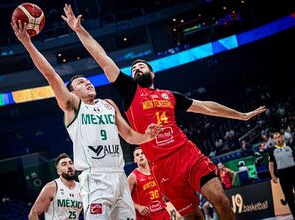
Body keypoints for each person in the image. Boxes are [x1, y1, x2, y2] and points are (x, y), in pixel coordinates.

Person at [62, 4, 266, 219]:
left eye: (141, 66)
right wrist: (79, 31)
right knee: (194, 217)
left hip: (187, 154)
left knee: (222, 201)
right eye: (133, 69)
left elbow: (206, 106)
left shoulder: (170, 96)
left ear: (152, 72)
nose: (136, 69)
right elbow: (102, 58)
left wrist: (241, 115)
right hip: (162, 167)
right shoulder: (130, 91)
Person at [11, 20, 162, 220]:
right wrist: (27, 43)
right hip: (95, 178)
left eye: (87, 80)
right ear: (72, 92)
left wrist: (147, 136)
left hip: (120, 176)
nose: (87, 82)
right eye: (80, 83)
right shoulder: (73, 106)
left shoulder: (108, 104)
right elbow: (51, 75)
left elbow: (130, 136)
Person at [28, 153, 83, 220]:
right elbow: (33, 214)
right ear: (59, 171)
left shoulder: (82, 188)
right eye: (64, 164)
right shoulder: (51, 187)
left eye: (71, 163)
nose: (69, 166)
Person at [128, 147, 170, 220]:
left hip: (162, 212)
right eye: (137, 155)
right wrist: (138, 207)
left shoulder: (155, 171)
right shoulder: (133, 177)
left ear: (146, 155)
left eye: (142, 153)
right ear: (135, 160)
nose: (140, 156)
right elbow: (125, 199)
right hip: (145, 216)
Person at [268, 132, 295, 218]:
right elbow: (271, 164)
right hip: (283, 174)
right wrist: (272, 175)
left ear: (282, 137)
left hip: (293, 171)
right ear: (273, 140)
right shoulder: (272, 150)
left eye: (279, 137)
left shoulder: (289, 146)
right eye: (275, 138)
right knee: (289, 197)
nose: (278, 139)